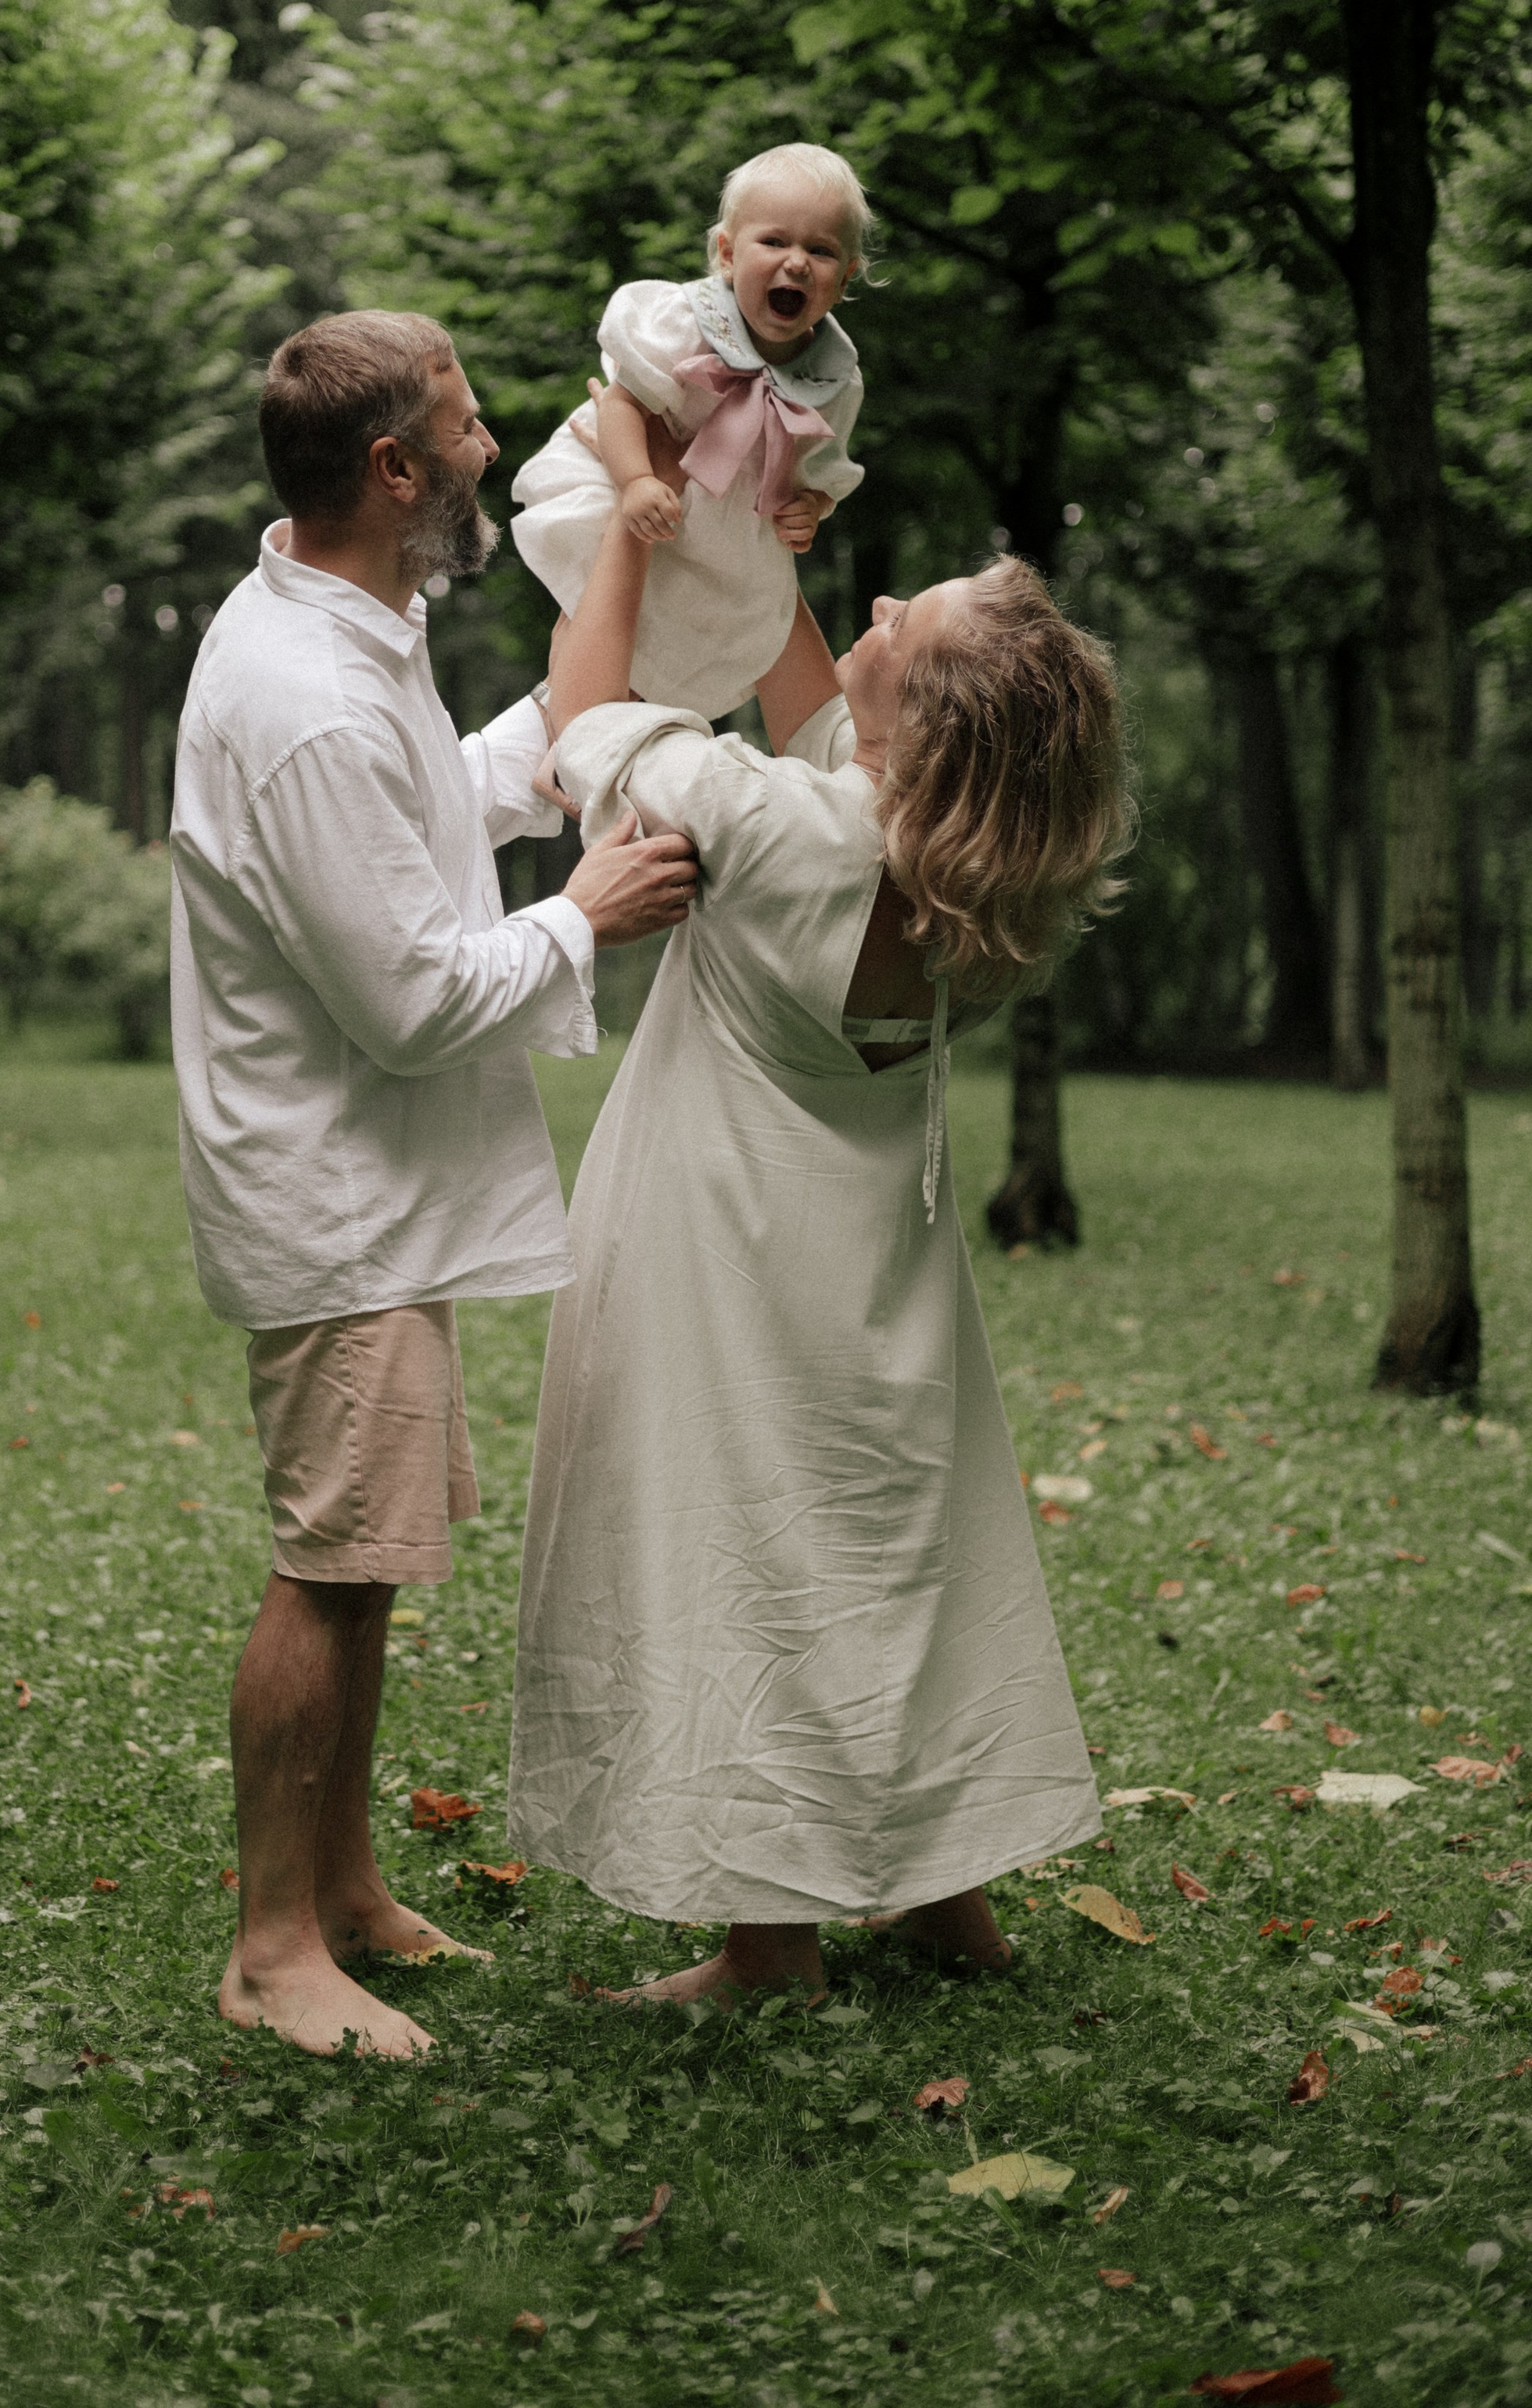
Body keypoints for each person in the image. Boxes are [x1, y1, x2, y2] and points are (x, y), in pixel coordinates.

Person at [508, 506, 1133, 2002]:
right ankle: (944, 1900)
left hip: (723, 1243)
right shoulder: (983, 872)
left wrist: (629, 551)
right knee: (894, 1556)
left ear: (916, 721)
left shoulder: (780, 827)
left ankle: (767, 1947)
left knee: (746, 1552)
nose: (873, 603)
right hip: (875, 1270)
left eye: (897, 623)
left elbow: (584, 724)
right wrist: (743, 521)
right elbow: (816, 701)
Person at [170, 308, 698, 2061]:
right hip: (333, 1195)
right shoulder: (303, 694)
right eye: (466, 431)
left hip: (373, 1189)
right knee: (328, 1565)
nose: (487, 452)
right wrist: (582, 913)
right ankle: (268, 1952)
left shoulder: (354, 626)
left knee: (368, 1554)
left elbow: (431, 807)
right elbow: (403, 1000)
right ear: (391, 469)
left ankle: (341, 1894)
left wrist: (552, 743)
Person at [508, 142, 872, 720]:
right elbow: (623, 404)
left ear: (846, 275)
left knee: (689, 632)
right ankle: (567, 716)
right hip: (627, 473)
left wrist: (812, 507)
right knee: (594, 602)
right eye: (774, 242)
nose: (797, 261)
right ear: (728, 254)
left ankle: (635, 739)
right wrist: (634, 482)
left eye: (821, 250)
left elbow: (822, 471)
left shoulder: (834, 377)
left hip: (724, 524)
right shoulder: (685, 322)